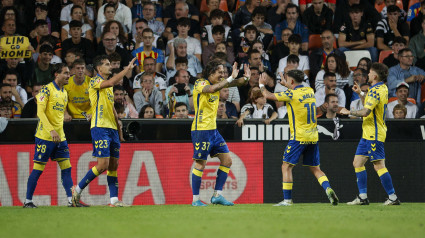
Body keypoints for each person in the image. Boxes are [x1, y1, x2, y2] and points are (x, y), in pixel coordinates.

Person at [259, 70, 339, 206]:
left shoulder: (291, 94)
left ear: (291, 81)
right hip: (313, 136)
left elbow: (268, 95)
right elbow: (296, 93)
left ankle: (287, 200)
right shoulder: (310, 91)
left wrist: (261, 85)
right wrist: (287, 84)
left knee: (286, 166)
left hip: (299, 136)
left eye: (288, 79)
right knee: (315, 168)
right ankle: (328, 188)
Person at [71, 56, 136, 207]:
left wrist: (119, 127)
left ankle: (113, 201)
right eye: (107, 64)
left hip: (112, 128)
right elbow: (112, 81)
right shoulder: (95, 81)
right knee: (103, 165)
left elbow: (111, 106)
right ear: (99, 68)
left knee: (114, 165)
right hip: (99, 126)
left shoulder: (108, 87)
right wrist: (126, 70)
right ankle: (78, 189)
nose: (110, 66)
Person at [191, 60, 250, 206]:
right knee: (201, 163)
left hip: (213, 130)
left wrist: (246, 78)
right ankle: (195, 200)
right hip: (201, 130)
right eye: (220, 72)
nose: (223, 75)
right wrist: (229, 79)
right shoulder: (200, 83)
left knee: (227, 160)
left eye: (224, 72)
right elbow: (211, 89)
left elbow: (237, 82)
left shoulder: (221, 83)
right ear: (211, 73)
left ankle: (217, 195)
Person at [340, 62, 400, 205]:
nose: (368, 74)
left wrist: (349, 112)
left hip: (374, 133)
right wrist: (360, 93)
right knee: (357, 163)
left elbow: (366, 111)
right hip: (368, 133)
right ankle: (363, 197)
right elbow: (369, 103)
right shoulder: (382, 88)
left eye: (370, 72)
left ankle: (393, 197)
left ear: (375, 75)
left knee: (379, 165)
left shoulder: (374, 90)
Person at [23, 64, 76, 208]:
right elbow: (40, 112)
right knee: (38, 169)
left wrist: (66, 114)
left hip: (61, 137)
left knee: (67, 168)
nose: (68, 76)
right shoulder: (46, 90)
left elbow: (62, 110)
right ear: (56, 74)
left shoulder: (64, 92)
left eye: (69, 74)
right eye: (65, 73)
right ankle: (28, 201)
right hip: (45, 136)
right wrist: (51, 130)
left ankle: (72, 201)